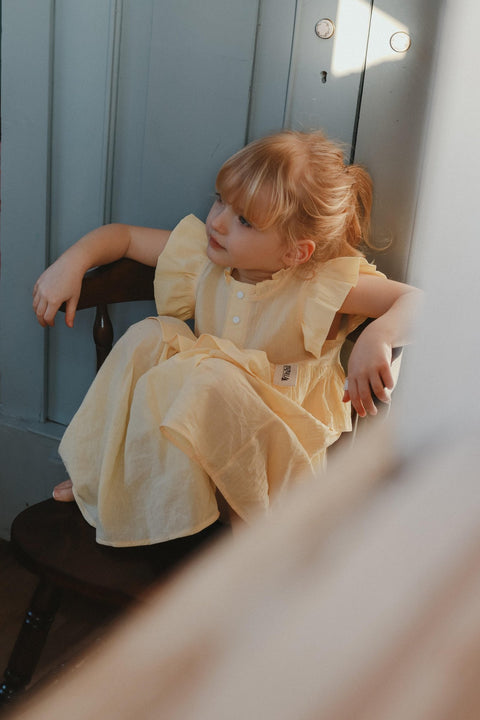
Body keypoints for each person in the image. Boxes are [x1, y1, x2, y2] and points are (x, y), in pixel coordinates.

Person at [32, 130, 420, 547]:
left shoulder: (317, 287)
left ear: (295, 252)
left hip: (272, 468)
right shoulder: (205, 259)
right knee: (148, 336)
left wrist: (376, 335)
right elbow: (124, 237)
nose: (216, 221)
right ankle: (103, 476)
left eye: (244, 220)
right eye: (221, 200)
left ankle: (251, 543)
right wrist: (72, 262)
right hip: (192, 458)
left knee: (213, 377)